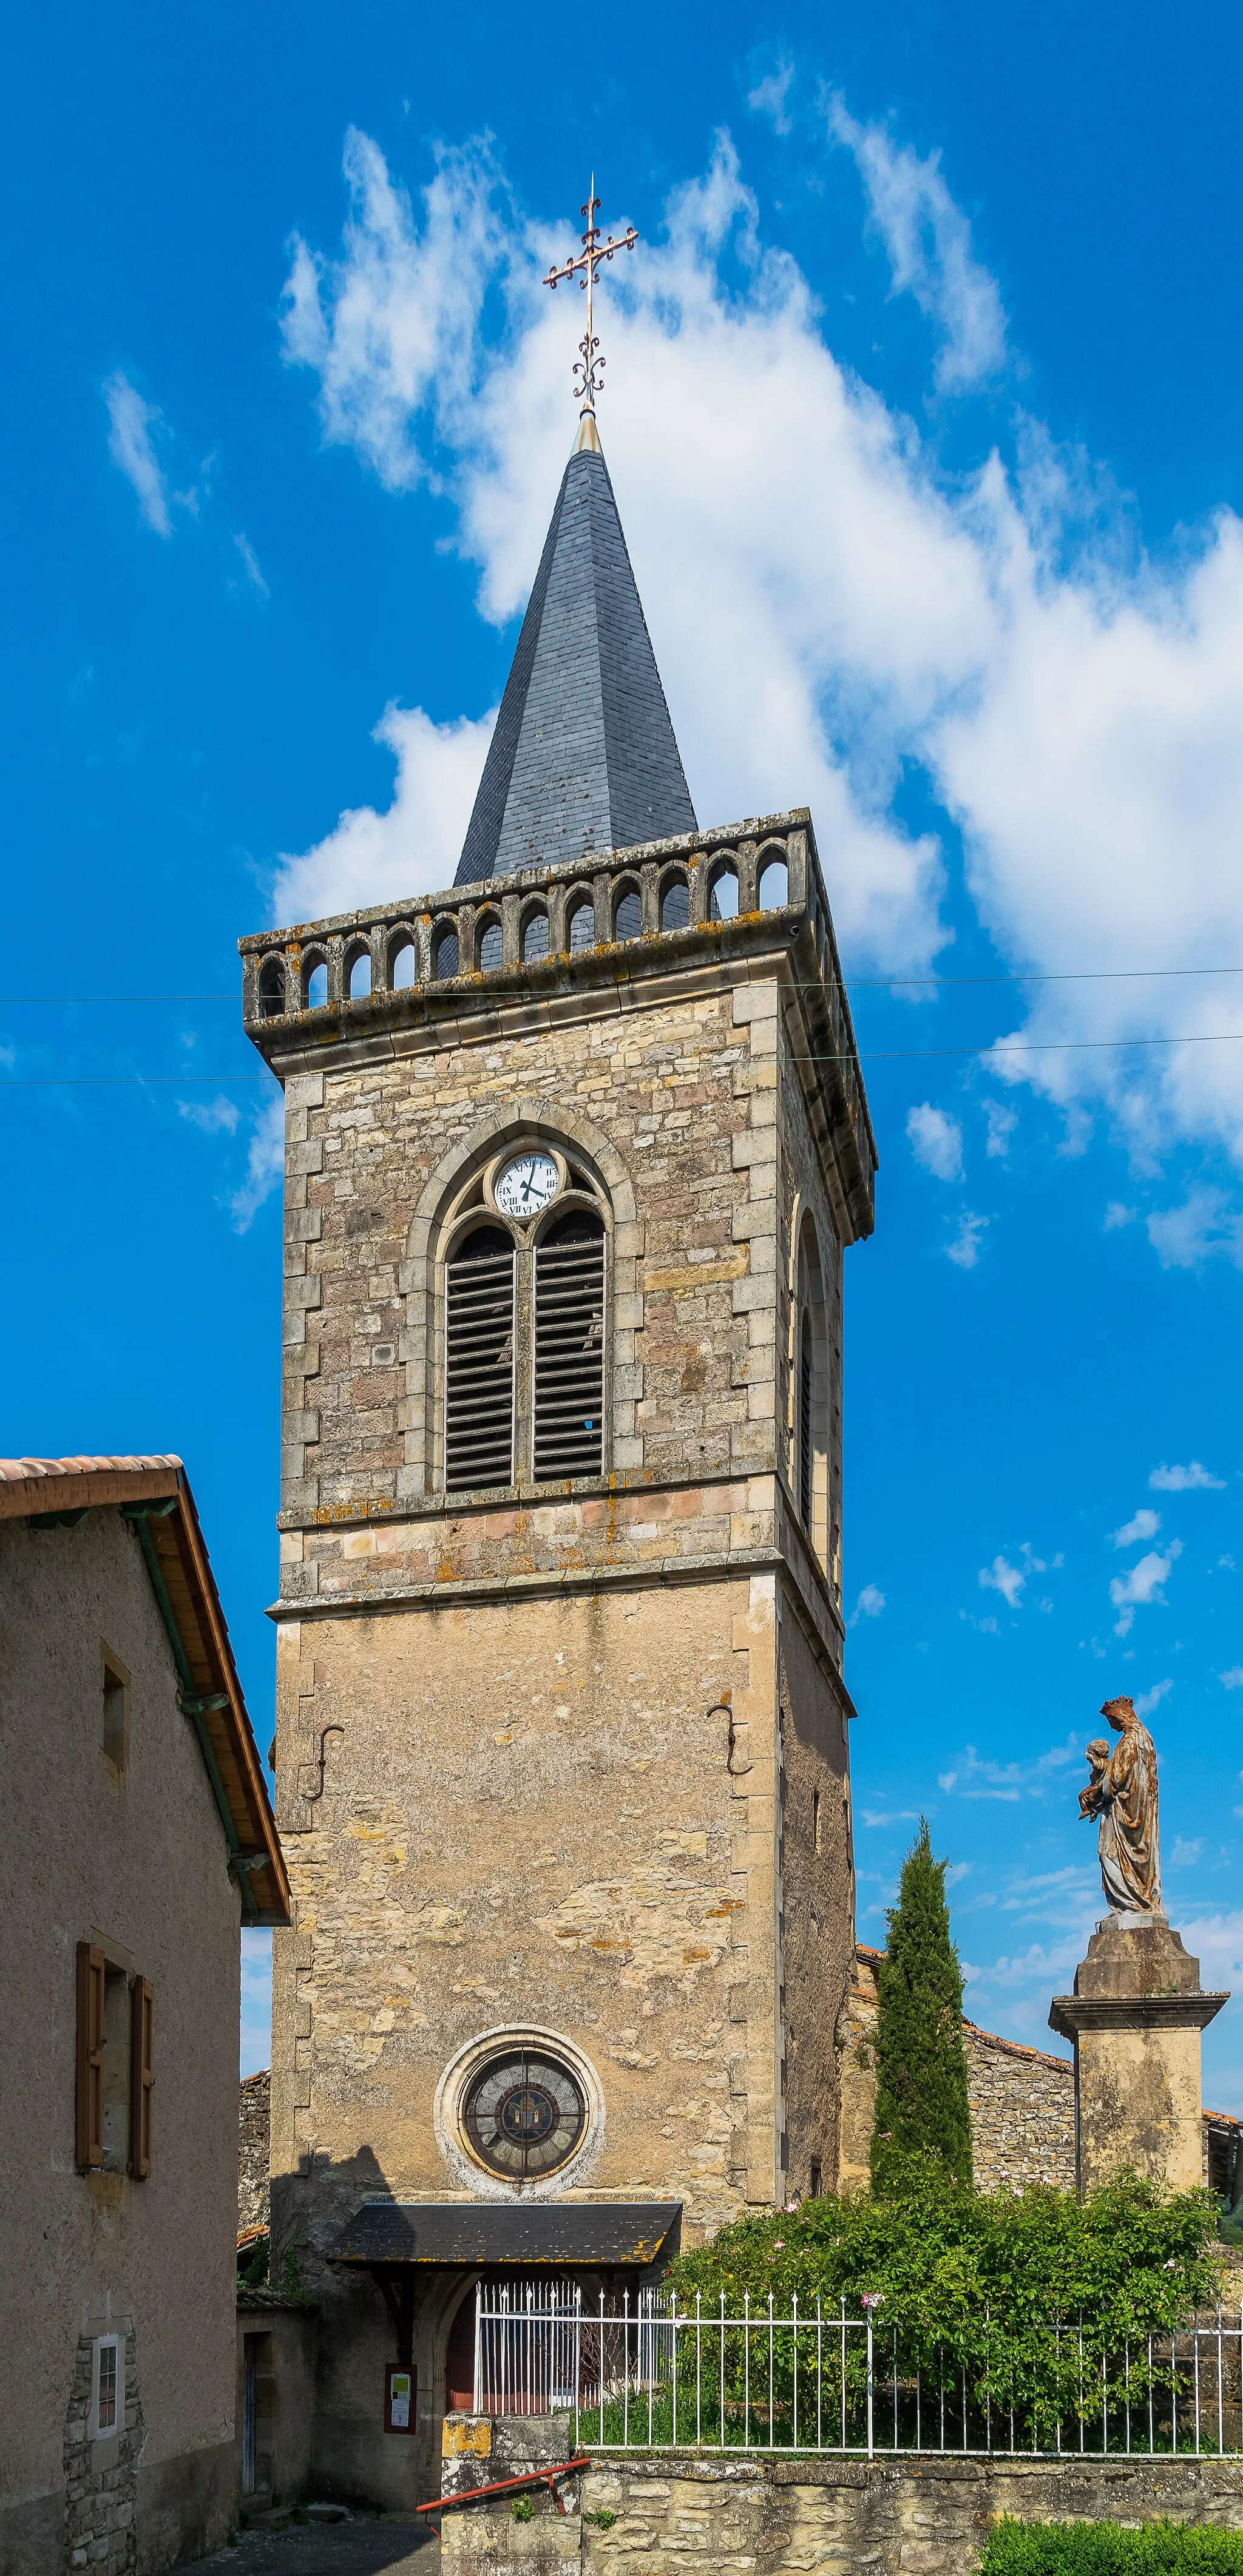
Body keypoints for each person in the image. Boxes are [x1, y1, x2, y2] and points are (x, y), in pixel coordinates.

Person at [1078, 1695, 1162, 1915]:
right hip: (1141, 1807)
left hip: (1126, 1809)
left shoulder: (1129, 1740)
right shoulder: (1145, 1737)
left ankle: (1130, 1905)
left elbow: (1116, 1778)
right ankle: (1141, 1903)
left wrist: (1095, 1790)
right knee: (1133, 1856)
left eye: (1112, 1721)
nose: (1112, 1726)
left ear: (1119, 1717)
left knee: (1107, 1852)